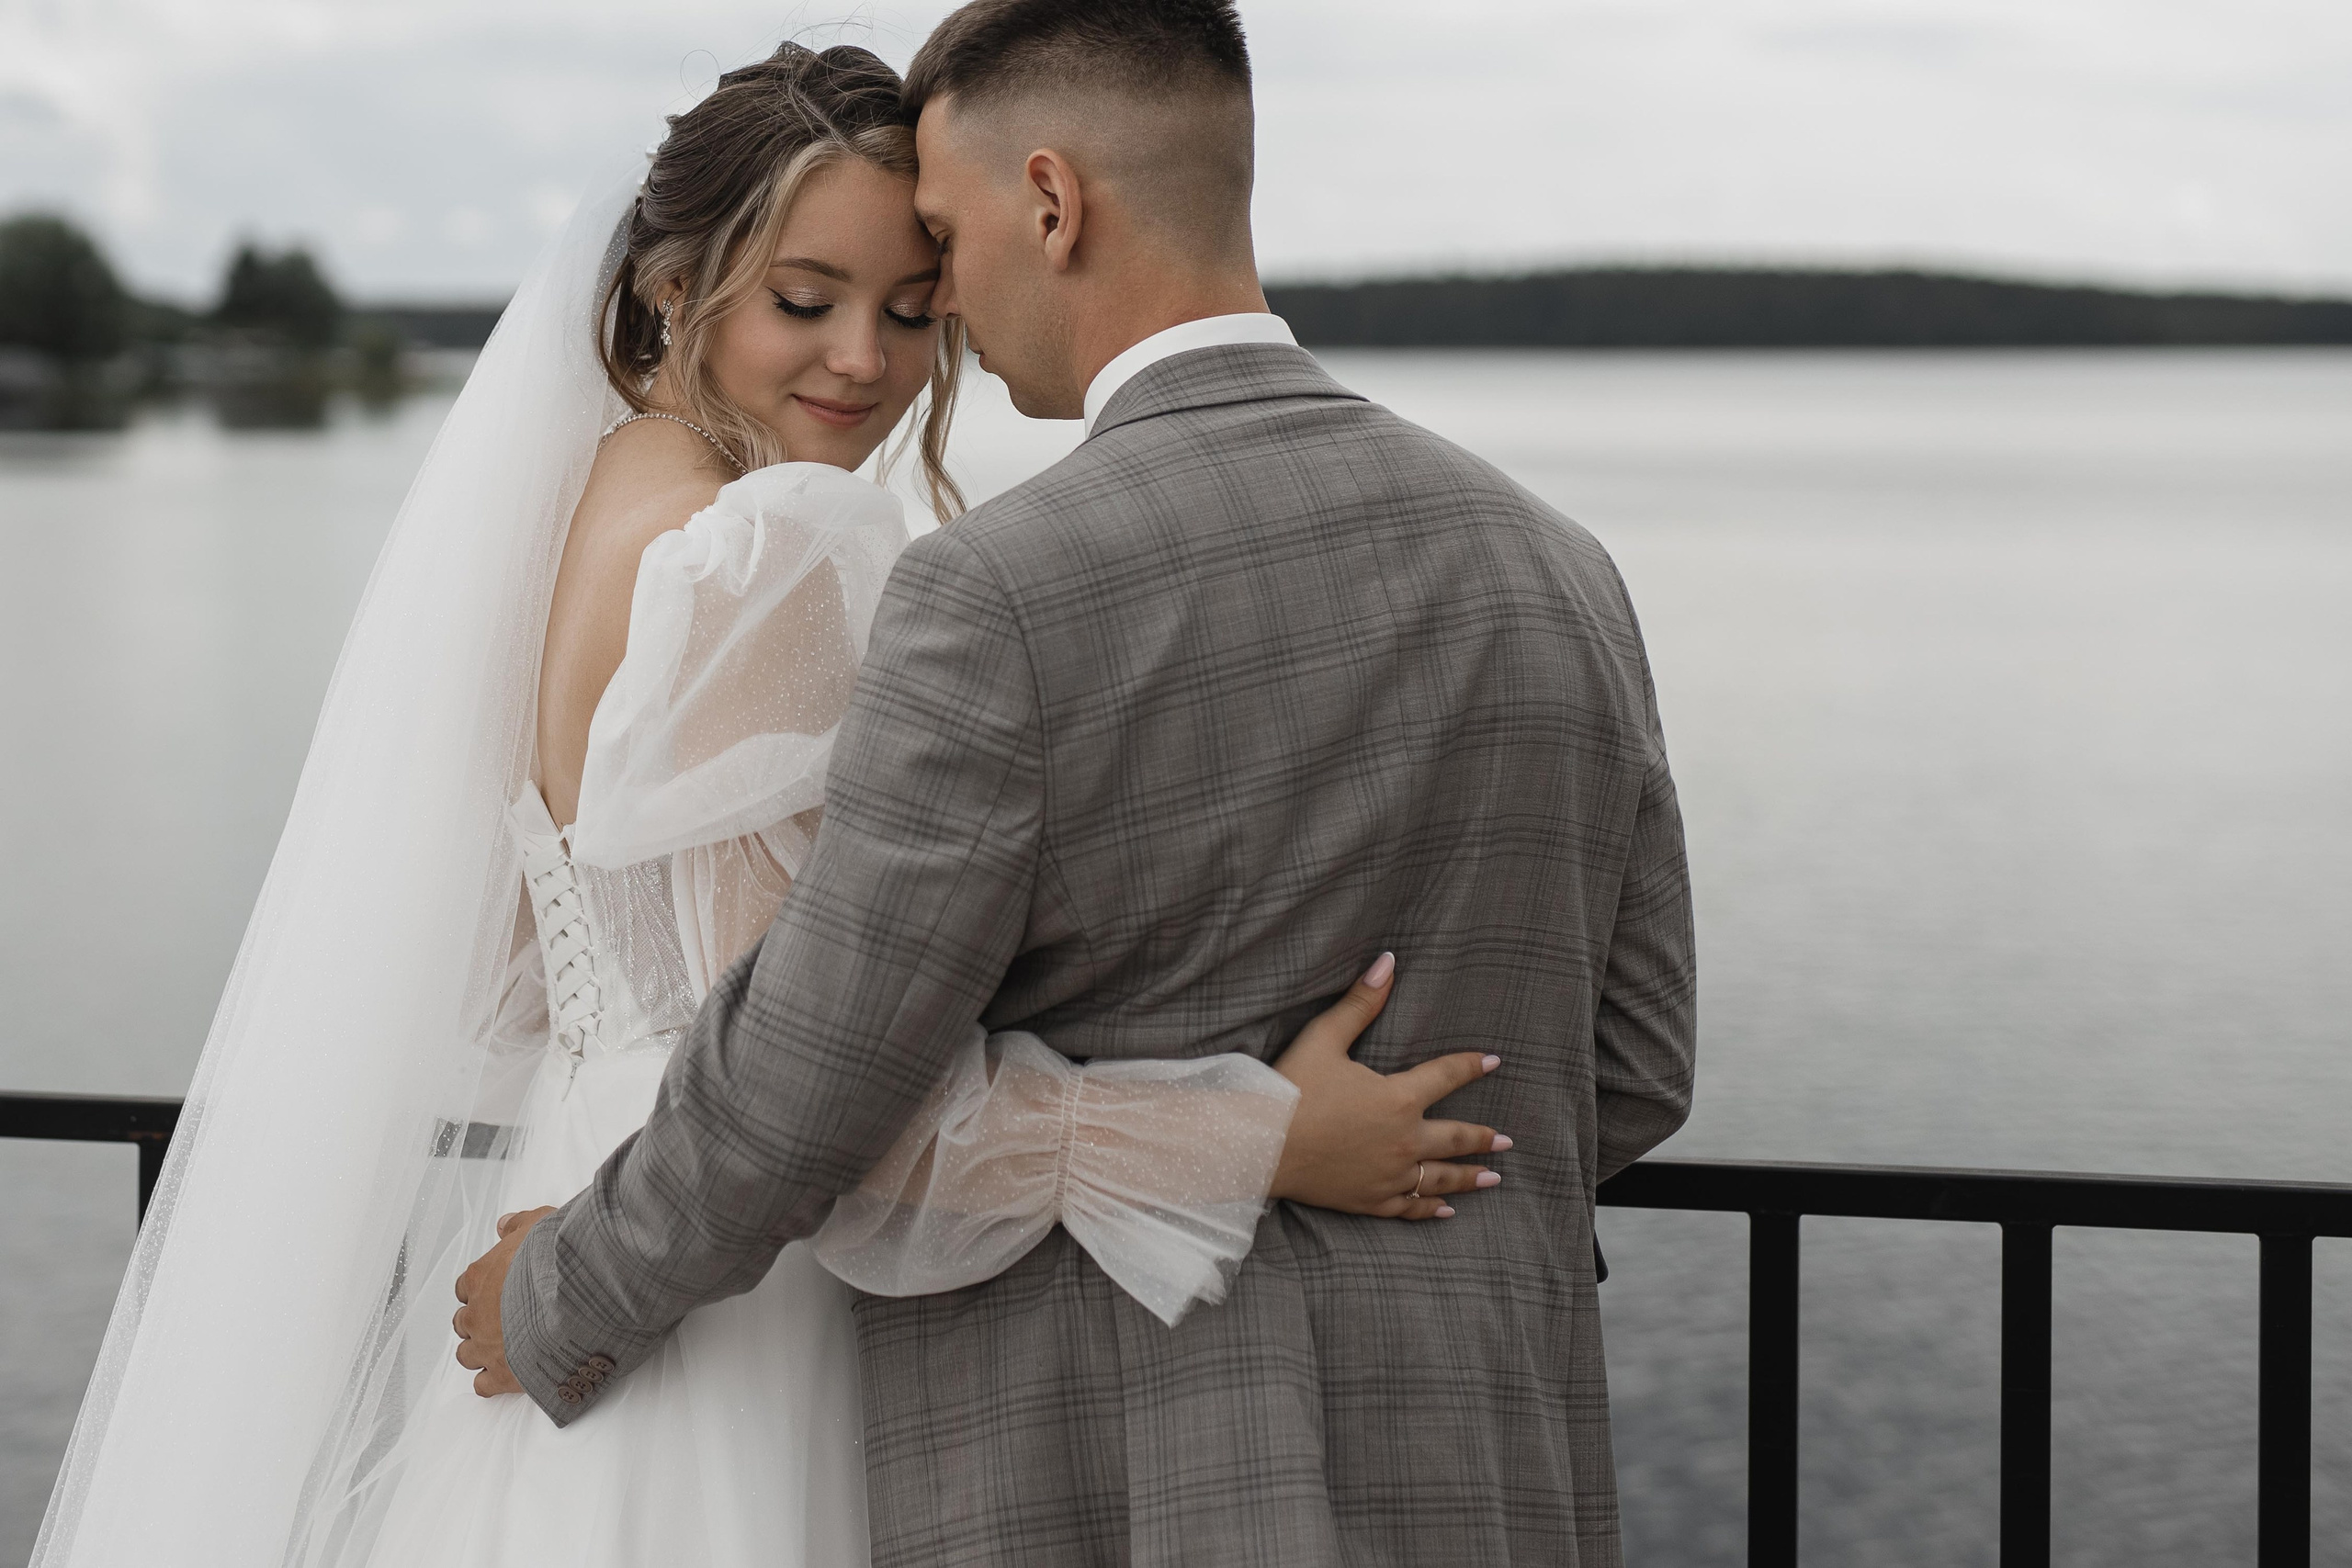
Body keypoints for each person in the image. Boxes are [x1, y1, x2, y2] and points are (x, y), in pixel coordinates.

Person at [33, 38, 1509, 1568]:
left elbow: (547, 978)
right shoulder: (767, 553)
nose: (864, 362)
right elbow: (846, 1118)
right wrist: (1256, 1141)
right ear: (677, 285)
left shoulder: (577, 510)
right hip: (730, 1310)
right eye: (805, 301)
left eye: (913, 310)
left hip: (578, 1228)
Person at [469, 4, 1701, 1566]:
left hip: (1108, 1469)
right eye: (820, 296)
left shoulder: (993, 590)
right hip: (1486, 1463)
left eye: (935, 263)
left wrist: (563, 1295)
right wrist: (1340, 1150)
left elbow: (806, 1077)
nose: (928, 333)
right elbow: (1637, 1067)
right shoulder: (1562, 568)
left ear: (1047, 204)